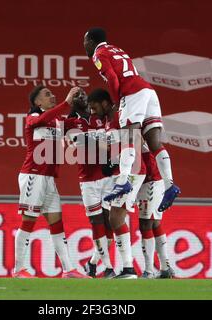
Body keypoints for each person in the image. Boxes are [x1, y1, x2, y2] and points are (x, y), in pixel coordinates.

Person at [83, 27, 180, 213]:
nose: (84, 46)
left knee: (129, 137)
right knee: (154, 142)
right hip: (148, 91)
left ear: (90, 42)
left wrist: (117, 100)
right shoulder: (117, 49)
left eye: (84, 42)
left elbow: (111, 77)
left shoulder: (98, 54)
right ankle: (170, 185)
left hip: (132, 92)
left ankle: (123, 181)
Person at [13, 85, 90, 279]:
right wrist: (66, 102)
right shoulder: (32, 118)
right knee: (28, 221)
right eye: (47, 95)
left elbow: (74, 125)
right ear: (38, 102)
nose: (52, 96)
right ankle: (19, 269)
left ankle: (69, 269)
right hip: (33, 176)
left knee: (57, 224)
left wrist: (81, 108)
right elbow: (41, 119)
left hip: (49, 180)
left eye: (52, 94)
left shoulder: (57, 121)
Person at [87, 88, 146, 279]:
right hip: (122, 173)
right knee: (114, 218)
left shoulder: (122, 116)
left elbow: (135, 140)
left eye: (95, 107)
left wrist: (118, 158)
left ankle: (129, 269)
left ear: (105, 103)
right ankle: (123, 267)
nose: (93, 112)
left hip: (133, 171)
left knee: (115, 218)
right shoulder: (106, 122)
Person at [63, 89, 115, 278]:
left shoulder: (100, 117)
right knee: (97, 223)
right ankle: (108, 267)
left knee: (111, 224)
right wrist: (106, 144)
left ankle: (92, 264)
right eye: (76, 95)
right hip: (88, 181)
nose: (82, 96)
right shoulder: (69, 123)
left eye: (83, 93)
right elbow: (83, 143)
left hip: (107, 178)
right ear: (71, 101)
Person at [137, 143, 175, 279]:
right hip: (151, 181)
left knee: (145, 224)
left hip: (151, 181)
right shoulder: (141, 133)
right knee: (154, 223)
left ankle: (148, 270)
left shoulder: (139, 133)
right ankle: (165, 267)